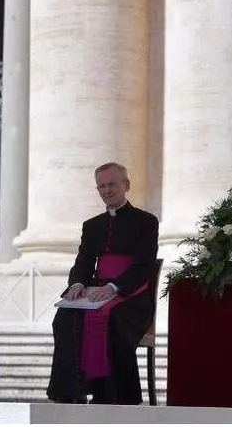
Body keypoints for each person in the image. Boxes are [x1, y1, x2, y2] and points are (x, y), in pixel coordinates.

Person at [46, 162, 159, 405]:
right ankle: (72, 393)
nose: (107, 190)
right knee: (65, 318)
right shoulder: (92, 225)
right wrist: (77, 284)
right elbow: (84, 261)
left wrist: (114, 288)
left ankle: (112, 397)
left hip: (132, 296)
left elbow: (144, 265)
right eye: (102, 186)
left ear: (126, 185)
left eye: (112, 185)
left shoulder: (146, 221)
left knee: (112, 319)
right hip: (96, 290)